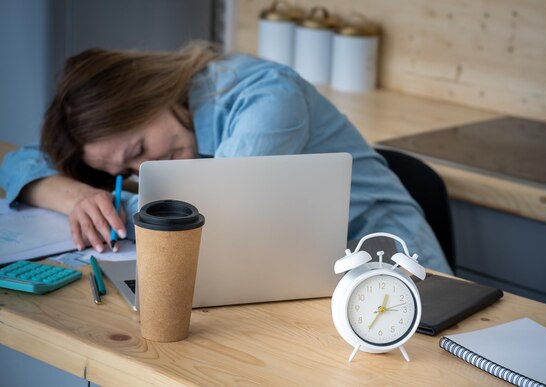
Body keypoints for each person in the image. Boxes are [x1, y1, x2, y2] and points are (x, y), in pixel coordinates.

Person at [0, 42, 453, 274]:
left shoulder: (265, 95)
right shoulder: (175, 133)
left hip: (396, 270)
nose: (142, 171)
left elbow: (215, 219)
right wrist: (76, 195)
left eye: (138, 152)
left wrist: (113, 207)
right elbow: (15, 159)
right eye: (123, 173)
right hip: (300, 273)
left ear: (150, 94)